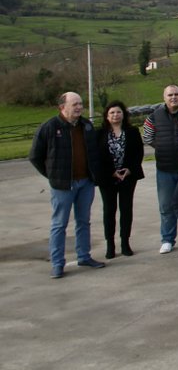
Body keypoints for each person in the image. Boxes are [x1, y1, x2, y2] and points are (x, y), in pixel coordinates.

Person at [30, 91, 105, 278]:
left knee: (83, 222)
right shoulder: (49, 127)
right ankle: (57, 263)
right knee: (59, 225)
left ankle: (84, 256)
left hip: (85, 183)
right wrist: (53, 176)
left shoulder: (86, 126)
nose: (79, 107)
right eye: (75, 104)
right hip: (63, 186)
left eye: (80, 104)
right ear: (62, 107)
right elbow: (35, 156)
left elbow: (93, 153)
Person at [142, 84, 178, 254]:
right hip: (165, 169)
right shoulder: (155, 116)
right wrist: (162, 146)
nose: (173, 97)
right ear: (164, 97)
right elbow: (147, 136)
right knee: (166, 206)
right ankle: (167, 239)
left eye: (176, 94)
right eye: (170, 95)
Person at [96, 101, 144, 259]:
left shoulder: (132, 131)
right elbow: (97, 157)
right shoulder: (100, 134)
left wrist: (130, 169)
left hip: (128, 177)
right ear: (107, 116)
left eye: (118, 112)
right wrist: (112, 172)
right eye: (112, 113)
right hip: (108, 178)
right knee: (109, 211)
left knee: (126, 209)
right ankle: (110, 245)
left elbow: (139, 153)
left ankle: (125, 242)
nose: (115, 115)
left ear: (123, 114)